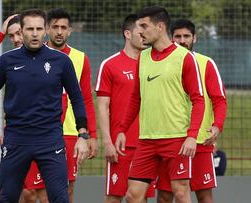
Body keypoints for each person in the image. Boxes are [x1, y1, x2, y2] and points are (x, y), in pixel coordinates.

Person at [0, 9, 89, 203]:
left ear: (46, 31)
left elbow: (77, 98)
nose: (34, 33)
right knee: (8, 198)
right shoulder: (6, 61)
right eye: (30, 29)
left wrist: (83, 134)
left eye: (39, 29)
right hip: (16, 139)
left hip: (50, 140)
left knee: (60, 198)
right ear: (21, 31)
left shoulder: (61, 61)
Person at [115, 6, 205, 203]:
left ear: (160, 27)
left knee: (180, 193)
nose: (140, 31)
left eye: (144, 26)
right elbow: (135, 98)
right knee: (133, 195)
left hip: (176, 139)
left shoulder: (184, 57)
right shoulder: (143, 57)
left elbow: (199, 100)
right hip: (146, 139)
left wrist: (192, 136)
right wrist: (122, 129)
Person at [0, 14, 51, 203]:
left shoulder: (50, 59)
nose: (16, 39)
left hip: (45, 135)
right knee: (18, 192)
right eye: (11, 36)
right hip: (16, 136)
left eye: (18, 33)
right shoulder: (8, 62)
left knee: (40, 194)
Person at [24, 8, 97, 203]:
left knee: (66, 190)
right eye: (54, 27)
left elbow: (86, 99)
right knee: (31, 192)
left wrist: (92, 135)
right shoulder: (32, 54)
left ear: (70, 31)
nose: (59, 31)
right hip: (37, 132)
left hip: (70, 134)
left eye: (63, 27)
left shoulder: (81, 58)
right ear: (47, 29)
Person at [156, 19, 227, 203]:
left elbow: (219, 100)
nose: (182, 40)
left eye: (186, 36)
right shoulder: (161, 63)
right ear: (171, 38)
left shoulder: (206, 63)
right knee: (165, 196)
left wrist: (217, 126)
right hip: (170, 141)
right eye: (177, 36)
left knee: (204, 196)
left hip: (200, 142)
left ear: (194, 38)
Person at [95, 14, 154, 203]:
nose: (144, 35)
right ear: (128, 33)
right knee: (114, 196)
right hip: (121, 145)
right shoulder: (110, 65)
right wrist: (107, 142)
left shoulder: (153, 63)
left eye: (146, 31)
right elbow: (103, 107)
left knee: (140, 198)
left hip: (148, 144)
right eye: (140, 31)